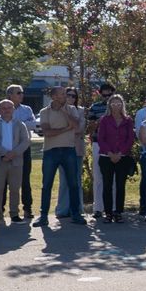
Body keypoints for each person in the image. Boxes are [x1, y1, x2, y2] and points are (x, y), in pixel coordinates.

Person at [37, 87, 86, 227]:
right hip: (50, 151)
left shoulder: (72, 109)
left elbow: (76, 126)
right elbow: (47, 132)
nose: (66, 96)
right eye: (63, 94)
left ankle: (75, 214)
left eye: (66, 94)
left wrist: (65, 112)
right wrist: (65, 129)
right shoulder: (44, 111)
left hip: (69, 150)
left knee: (73, 184)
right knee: (47, 184)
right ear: (54, 97)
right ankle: (43, 216)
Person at [0, 99, 32, 226]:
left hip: (16, 161)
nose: (6, 110)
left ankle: (15, 214)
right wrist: (5, 153)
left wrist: (13, 153)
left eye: (9, 108)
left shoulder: (20, 124)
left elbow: (26, 141)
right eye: (3, 108)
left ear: (13, 110)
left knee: (15, 189)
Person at [95, 95, 135, 224]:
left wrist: (120, 153)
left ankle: (118, 212)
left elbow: (130, 139)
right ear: (109, 105)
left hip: (122, 157)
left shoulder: (128, 120)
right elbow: (101, 138)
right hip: (106, 157)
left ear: (122, 105)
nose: (116, 106)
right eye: (113, 104)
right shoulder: (104, 120)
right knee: (107, 185)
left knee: (120, 185)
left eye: (119, 104)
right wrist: (110, 154)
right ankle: (108, 213)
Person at [5, 84, 38, 220]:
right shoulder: (4, 107)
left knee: (25, 180)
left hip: (24, 148)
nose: (21, 95)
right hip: (7, 149)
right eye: (18, 93)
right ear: (10, 95)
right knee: (5, 180)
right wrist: (22, 123)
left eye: (22, 92)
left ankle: (27, 208)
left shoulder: (27, 109)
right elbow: (5, 124)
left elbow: (33, 125)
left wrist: (16, 123)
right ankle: (0, 210)